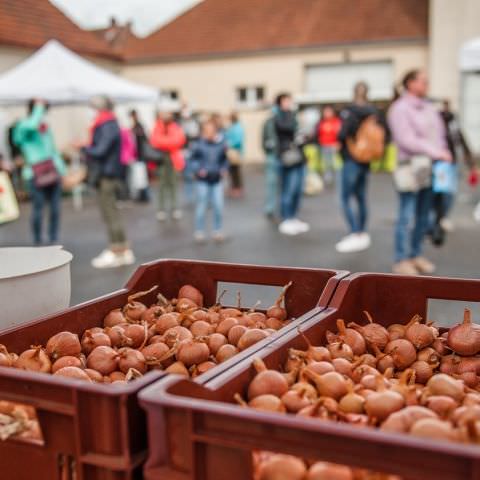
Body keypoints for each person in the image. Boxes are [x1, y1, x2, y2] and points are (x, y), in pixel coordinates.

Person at [388, 70, 451, 275]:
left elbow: (440, 134)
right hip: (410, 167)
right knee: (406, 215)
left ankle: (415, 254)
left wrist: (443, 151)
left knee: (424, 214)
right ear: (410, 83)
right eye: (423, 81)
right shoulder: (400, 109)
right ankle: (401, 259)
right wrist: (436, 151)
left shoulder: (428, 108)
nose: (427, 85)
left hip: (430, 166)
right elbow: (406, 139)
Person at [81, 96, 135, 268]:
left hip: (107, 175)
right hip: (109, 174)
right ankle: (121, 250)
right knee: (111, 214)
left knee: (110, 214)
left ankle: (117, 250)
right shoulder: (110, 124)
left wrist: (84, 147)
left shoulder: (107, 125)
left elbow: (100, 150)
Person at [336, 82, 384, 253]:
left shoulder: (350, 112)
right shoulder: (374, 112)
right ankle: (362, 231)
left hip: (351, 158)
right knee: (362, 197)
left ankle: (355, 232)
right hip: (366, 159)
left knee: (344, 197)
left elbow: (342, 134)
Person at [13, 99, 66, 245]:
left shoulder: (44, 127)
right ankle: (37, 240)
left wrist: (62, 170)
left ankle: (53, 238)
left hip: (52, 173)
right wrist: (38, 107)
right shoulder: (23, 126)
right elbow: (30, 127)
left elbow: (52, 150)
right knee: (38, 208)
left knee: (55, 209)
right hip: (34, 174)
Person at [435, 100, 475, 231]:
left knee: (449, 192)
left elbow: (463, 143)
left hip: (452, 164)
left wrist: (471, 165)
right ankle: (438, 217)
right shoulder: (438, 125)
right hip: (441, 164)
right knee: (441, 192)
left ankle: (443, 216)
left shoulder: (454, 125)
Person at [274, 93, 310, 236]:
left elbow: (303, 134)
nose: (289, 103)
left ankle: (294, 217)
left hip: (300, 158)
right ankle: (286, 218)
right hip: (288, 158)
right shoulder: (279, 117)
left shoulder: (294, 116)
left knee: (298, 191)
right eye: (286, 101)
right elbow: (287, 128)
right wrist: (297, 121)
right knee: (288, 189)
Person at [190, 119, 228, 242]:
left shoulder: (221, 143)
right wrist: (198, 169)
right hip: (203, 180)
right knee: (201, 205)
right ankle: (199, 231)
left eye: (211, 131)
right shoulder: (198, 144)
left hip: (217, 179)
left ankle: (218, 230)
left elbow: (224, 159)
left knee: (218, 205)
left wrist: (224, 168)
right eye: (206, 131)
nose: (208, 134)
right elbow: (192, 160)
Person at [150, 111, 186, 221]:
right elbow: (154, 141)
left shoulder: (175, 127)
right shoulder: (157, 127)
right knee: (161, 185)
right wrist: (169, 143)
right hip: (160, 160)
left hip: (173, 159)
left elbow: (179, 141)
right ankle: (161, 209)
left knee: (173, 184)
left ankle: (175, 208)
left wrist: (164, 143)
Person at [178, 104, 200, 205]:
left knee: (196, 175)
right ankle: (189, 198)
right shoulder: (179, 123)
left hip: (194, 152)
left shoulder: (195, 122)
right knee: (187, 177)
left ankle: (199, 197)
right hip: (185, 152)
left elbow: (196, 135)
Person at [129, 109, 150, 202]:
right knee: (139, 177)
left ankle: (144, 196)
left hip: (140, 155)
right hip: (138, 155)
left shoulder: (138, 126)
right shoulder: (136, 126)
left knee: (141, 177)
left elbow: (143, 139)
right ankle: (142, 195)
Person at [317, 105, 341, 185]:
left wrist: (338, 142)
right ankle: (328, 180)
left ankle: (338, 179)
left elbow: (339, 133)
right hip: (324, 145)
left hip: (334, 145)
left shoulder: (336, 121)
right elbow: (318, 133)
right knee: (326, 163)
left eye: (328, 111)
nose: (327, 113)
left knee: (335, 164)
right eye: (325, 112)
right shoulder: (321, 122)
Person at [262, 105, 279, 218]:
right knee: (272, 183)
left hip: (279, 155)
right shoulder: (268, 123)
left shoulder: (283, 121)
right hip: (273, 155)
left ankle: (275, 206)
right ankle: (271, 207)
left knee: (277, 183)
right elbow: (264, 140)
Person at [225, 112, 245, 197]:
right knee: (231, 171)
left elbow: (238, 140)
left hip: (235, 151)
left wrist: (229, 144)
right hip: (231, 151)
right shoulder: (232, 127)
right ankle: (233, 187)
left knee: (235, 171)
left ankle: (238, 187)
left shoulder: (237, 128)